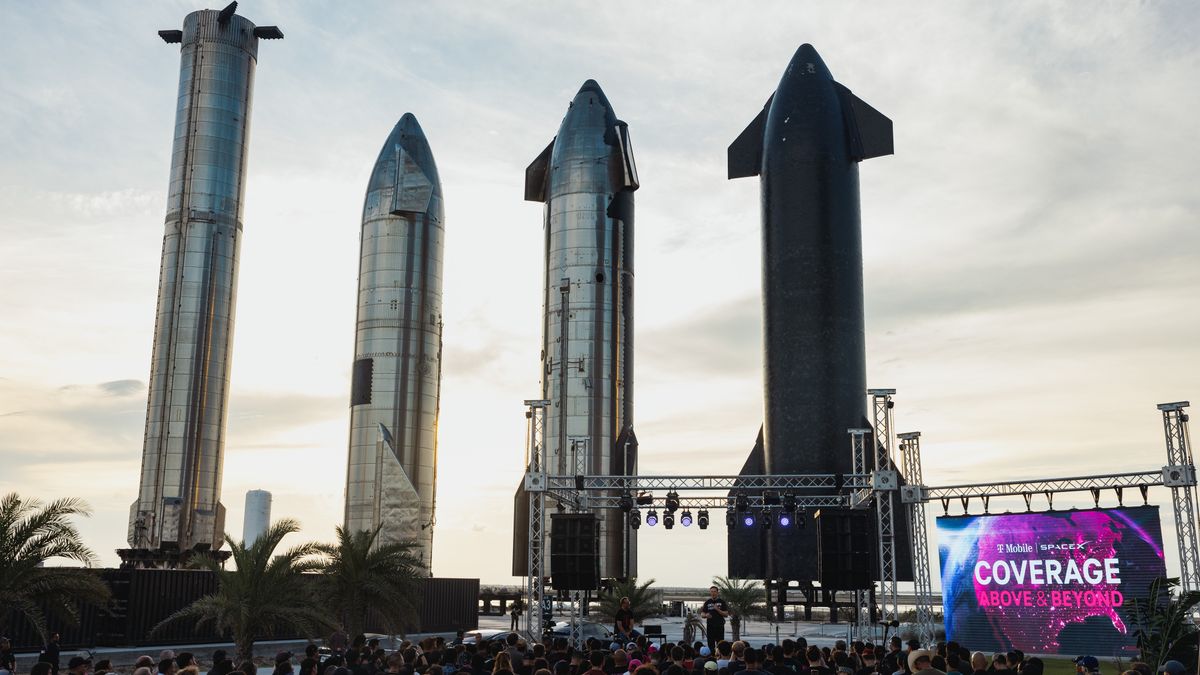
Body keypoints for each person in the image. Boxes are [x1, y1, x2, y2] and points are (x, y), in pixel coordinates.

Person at [701, 588, 730, 653]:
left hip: (719, 626)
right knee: (710, 644)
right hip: (710, 627)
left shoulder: (722, 602)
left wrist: (717, 609)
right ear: (710, 593)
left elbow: (726, 614)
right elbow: (702, 613)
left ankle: (720, 657)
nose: (713, 593)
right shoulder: (707, 602)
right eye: (712, 592)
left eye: (714, 592)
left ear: (717, 593)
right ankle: (712, 657)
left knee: (720, 644)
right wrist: (706, 615)